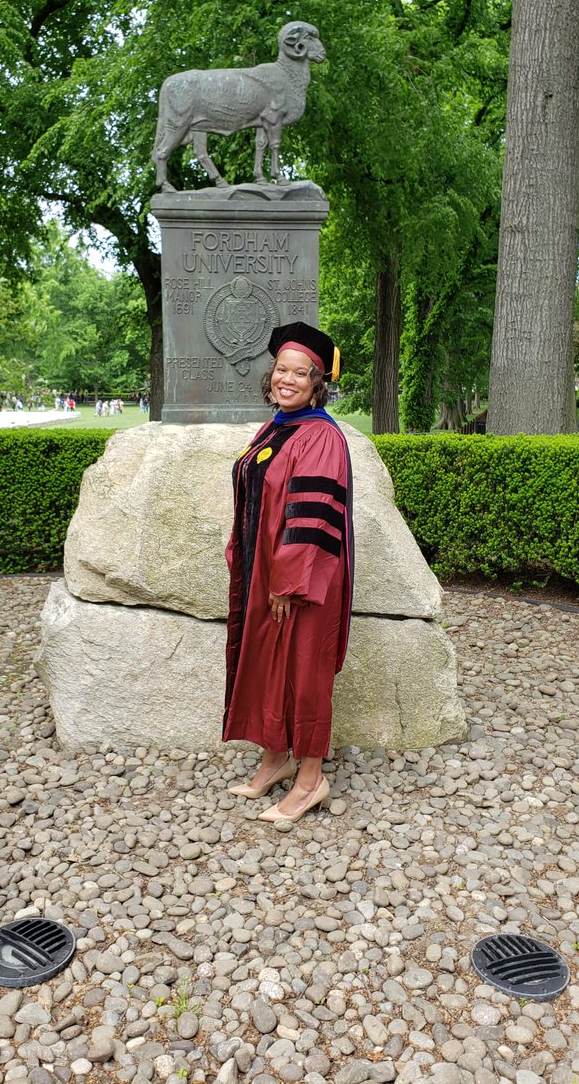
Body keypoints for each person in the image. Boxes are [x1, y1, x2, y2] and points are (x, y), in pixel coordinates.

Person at [224, 321, 354, 824]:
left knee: (304, 669)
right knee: (267, 662)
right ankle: (275, 758)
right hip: (266, 572)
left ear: (318, 382)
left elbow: (312, 514)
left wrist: (288, 582)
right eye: (282, 369)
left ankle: (310, 779)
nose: (288, 379)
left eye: (301, 373)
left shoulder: (321, 436)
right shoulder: (277, 427)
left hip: (301, 581)